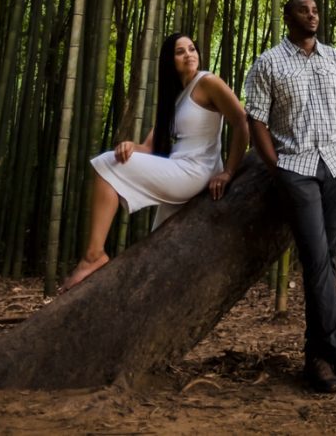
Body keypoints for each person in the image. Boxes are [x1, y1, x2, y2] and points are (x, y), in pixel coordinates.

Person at [242, 0, 336, 394]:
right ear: (287, 17)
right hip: (295, 169)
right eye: (303, 10)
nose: (312, 14)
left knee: (327, 260)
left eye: (316, 9)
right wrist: (275, 165)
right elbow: (255, 119)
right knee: (316, 258)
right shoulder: (268, 63)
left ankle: (315, 359)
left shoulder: (335, 59)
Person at [62, 32, 250, 290]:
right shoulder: (174, 99)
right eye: (180, 51)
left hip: (196, 171)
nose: (189, 55)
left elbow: (240, 121)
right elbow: (148, 147)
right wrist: (130, 146)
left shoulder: (207, 82)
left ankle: (94, 255)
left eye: (192, 49)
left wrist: (228, 171)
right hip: (180, 171)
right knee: (161, 246)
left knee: (106, 165)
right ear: (169, 61)